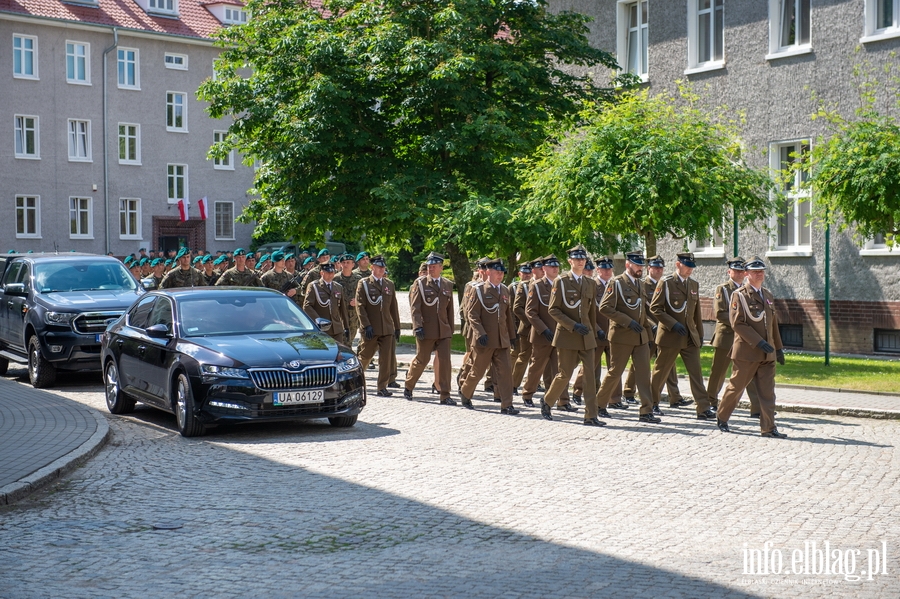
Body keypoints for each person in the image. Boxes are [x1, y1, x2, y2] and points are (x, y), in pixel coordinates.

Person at [715, 256, 787, 438]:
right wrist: (758, 341)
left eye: (762, 271)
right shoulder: (738, 295)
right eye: (755, 271)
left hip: (767, 354)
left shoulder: (768, 295)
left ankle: (769, 428)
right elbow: (737, 323)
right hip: (747, 352)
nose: (760, 274)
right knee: (736, 388)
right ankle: (722, 417)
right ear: (746, 274)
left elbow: (773, 325)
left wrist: (778, 348)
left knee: (768, 393)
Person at [539, 245, 603, 426]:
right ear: (570, 261)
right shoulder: (561, 281)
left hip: (586, 336)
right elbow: (553, 309)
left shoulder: (590, 282)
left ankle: (591, 415)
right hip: (568, 335)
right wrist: (573, 325)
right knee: (565, 374)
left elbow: (591, 312)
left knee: (590, 376)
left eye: (583, 259)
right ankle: (548, 400)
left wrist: (593, 331)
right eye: (577, 259)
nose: (580, 261)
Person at [649, 252, 717, 420]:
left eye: (692, 267)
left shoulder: (693, 284)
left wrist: (700, 334)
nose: (690, 270)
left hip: (689, 337)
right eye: (687, 267)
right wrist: (673, 324)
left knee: (696, 373)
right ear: (678, 264)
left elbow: (696, 312)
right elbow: (655, 308)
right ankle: (652, 403)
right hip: (670, 336)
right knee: (661, 372)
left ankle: (703, 407)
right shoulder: (666, 283)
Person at [597, 250, 658, 423]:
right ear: (628, 264)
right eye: (637, 265)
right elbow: (605, 307)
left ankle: (646, 411)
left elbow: (641, 311)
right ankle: (599, 405)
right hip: (621, 336)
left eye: (642, 265)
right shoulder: (616, 283)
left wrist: (650, 328)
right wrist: (627, 322)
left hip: (640, 337)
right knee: (615, 372)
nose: (640, 268)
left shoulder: (640, 284)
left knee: (644, 373)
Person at [623, 255, 686, 409]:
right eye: (655, 267)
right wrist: (651, 325)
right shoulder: (642, 285)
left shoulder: (667, 284)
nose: (658, 270)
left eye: (661, 268)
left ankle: (675, 396)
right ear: (649, 268)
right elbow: (643, 309)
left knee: (668, 364)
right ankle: (629, 391)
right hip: (649, 329)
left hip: (665, 329)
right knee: (641, 362)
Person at [459, 259, 519, 414]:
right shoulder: (479, 290)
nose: (500, 275)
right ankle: (465, 393)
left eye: (502, 272)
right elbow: (472, 314)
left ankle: (507, 405)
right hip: (484, 340)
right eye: (497, 272)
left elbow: (508, 316)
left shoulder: (504, 290)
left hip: (502, 340)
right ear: (488, 272)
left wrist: (512, 336)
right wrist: (480, 333)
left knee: (505, 373)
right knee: (477, 372)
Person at [707, 257, 761, 413]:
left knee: (748, 372)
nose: (738, 273)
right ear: (728, 271)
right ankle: (711, 401)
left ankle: (757, 407)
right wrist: (741, 325)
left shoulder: (748, 289)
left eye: (740, 270)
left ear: (745, 273)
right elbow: (720, 313)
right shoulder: (723, 289)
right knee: (718, 372)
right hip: (727, 336)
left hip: (744, 338)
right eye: (735, 270)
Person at [404, 252, 455, 404]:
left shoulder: (447, 284)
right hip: (426, 329)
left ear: (441, 267)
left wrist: (450, 328)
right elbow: (415, 308)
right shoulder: (420, 284)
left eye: (434, 267)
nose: (431, 269)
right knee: (422, 359)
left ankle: (445, 395)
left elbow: (449, 309)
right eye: (429, 267)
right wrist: (417, 326)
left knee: (445, 362)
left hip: (443, 330)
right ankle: (409, 385)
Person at [521, 255, 572, 408]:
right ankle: (527, 394)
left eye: (557, 266)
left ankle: (563, 400)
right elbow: (530, 312)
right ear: (544, 268)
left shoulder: (562, 285)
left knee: (561, 370)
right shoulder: (536, 286)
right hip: (542, 336)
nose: (555, 269)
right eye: (551, 266)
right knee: (537, 368)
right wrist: (543, 330)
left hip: (559, 334)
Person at [573, 255, 622, 408]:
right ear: (598, 270)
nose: (607, 272)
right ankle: (577, 391)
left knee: (615, 367)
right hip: (596, 333)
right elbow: (588, 312)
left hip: (614, 332)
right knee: (590, 365)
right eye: (604, 269)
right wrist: (598, 330)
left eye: (609, 269)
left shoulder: (616, 285)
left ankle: (614, 399)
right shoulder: (591, 285)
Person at [356, 255, 401, 396]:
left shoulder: (389, 284)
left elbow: (394, 307)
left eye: (383, 267)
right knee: (365, 356)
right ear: (372, 268)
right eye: (379, 267)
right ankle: (355, 381)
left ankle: (382, 387)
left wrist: (397, 327)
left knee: (386, 359)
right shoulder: (364, 283)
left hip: (386, 328)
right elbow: (360, 306)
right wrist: (366, 325)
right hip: (371, 328)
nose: (381, 270)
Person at [303, 261, 350, 344]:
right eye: (328, 272)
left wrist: (346, 327)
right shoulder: (314, 286)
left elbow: (343, 309)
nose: (330, 274)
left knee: (338, 353)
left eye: (332, 272)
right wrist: (319, 321)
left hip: (336, 329)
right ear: (322, 273)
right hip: (322, 329)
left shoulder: (338, 287)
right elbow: (307, 306)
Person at [510, 261, 534, 395]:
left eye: (529, 273)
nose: (527, 275)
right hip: (523, 326)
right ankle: (513, 383)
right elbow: (512, 310)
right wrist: (513, 329)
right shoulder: (515, 287)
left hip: (539, 328)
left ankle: (531, 383)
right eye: (524, 273)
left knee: (536, 358)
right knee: (520, 355)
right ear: (519, 274)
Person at [335, 254, 363, 346]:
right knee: (340, 340)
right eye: (343, 262)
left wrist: (357, 300)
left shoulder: (358, 279)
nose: (346, 264)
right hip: (339, 315)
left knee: (350, 338)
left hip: (353, 315)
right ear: (340, 264)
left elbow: (363, 295)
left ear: (353, 265)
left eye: (348, 262)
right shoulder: (335, 279)